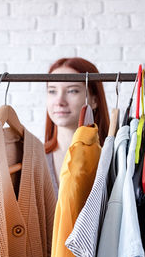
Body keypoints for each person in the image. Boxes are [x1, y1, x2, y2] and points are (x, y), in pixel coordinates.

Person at [44, 57, 110, 197]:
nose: (59, 101)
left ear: (94, 100)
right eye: (52, 91)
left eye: (72, 91)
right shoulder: (34, 159)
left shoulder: (111, 160)